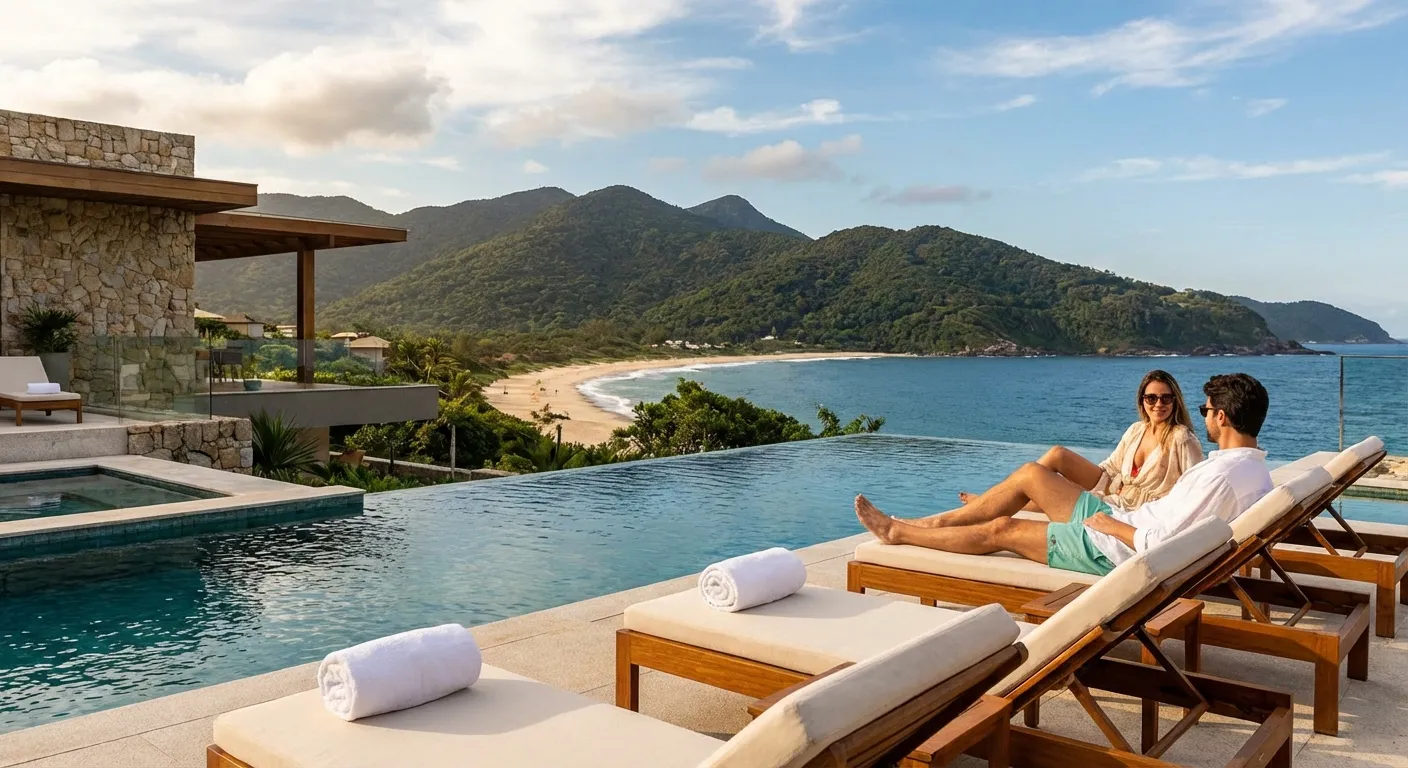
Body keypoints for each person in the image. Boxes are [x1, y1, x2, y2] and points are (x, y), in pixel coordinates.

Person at [854, 373, 1274, 576]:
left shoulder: (1219, 473)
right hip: (1121, 518)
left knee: (1003, 528)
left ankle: (900, 533)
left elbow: (1165, 544)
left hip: (1116, 544)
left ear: (1220, 416)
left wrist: (1110, 523)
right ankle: (938, 521)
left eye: (1206, 411)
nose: (1203, 418)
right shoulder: (1251, 472)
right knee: (1031, 474)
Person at [958, 370, 1203, 513]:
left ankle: (990, 504)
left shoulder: (1181, 438)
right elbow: (1112, 465)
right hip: (1113, 484)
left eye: (1165, 398)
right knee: (1057, 454)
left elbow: (1193, 489)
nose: (1158, 404)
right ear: (1142, 402)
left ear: (1175, 401)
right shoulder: (1137, 429)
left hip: (1135, 505)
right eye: (1151, 398)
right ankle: (995, 497)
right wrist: (1077, 479)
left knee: (1051, 491)